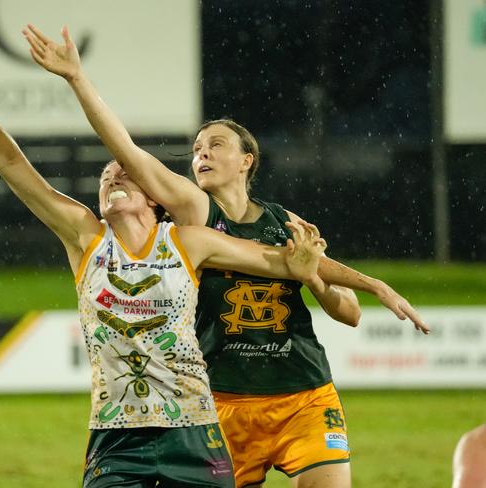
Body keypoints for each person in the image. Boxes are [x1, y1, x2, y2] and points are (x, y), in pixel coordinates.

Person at [21, 24, 430, 488]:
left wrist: (330, 280)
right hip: (223, 404)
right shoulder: (195, 212)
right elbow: (128, 153)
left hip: (304, 395)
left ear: (247, 159)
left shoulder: (283, 221)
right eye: (196, 149)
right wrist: (78, 79)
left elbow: (348, 313)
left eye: (216, 144)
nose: (202, 154)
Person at [0, 25, 340, 488]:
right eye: (105, 177)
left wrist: (316, 269)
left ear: (153, 198)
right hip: (116, 440)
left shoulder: (188, 241)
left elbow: (281, 260)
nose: (113, 178)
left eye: (124, 173)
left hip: (194, 433)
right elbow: (11, 164)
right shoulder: (85, 240)